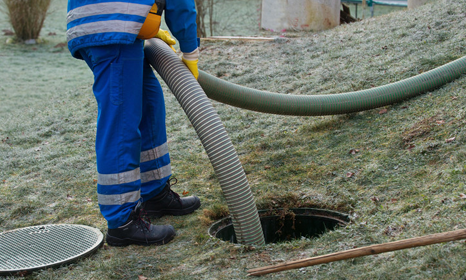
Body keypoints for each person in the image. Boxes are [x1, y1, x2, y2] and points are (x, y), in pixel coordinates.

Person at [66, 0, 201, 246]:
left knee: (149, 103)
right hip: (113, 28)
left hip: (112, 23)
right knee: (121, 124)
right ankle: (122, 221)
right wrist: (190, 51)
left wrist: (142, 22)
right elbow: (181, 3)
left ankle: (154, 194)